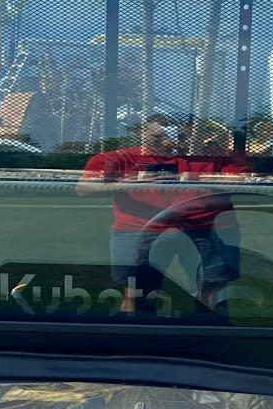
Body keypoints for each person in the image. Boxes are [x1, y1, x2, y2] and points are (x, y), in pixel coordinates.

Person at [79, 113, 248, 312]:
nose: (167, 140)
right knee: (136, 292)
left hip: (206, 228)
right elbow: (84, 188)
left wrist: (199, 178)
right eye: (158, 135)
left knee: (213, 291)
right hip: (138, 228)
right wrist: (129, 184)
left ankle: (212, 337)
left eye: (175, 134)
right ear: (142, 133)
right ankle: (135, 337)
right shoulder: (119, 157)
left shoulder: (212, 157)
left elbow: (243, 180)